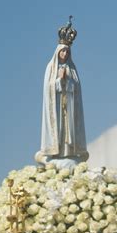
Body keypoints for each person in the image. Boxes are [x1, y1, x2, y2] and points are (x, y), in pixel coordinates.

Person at [36, 17, 88, 164]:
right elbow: (48, 89)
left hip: (69, 106)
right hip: (57, 106)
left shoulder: (72, 69)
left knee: (68, 130)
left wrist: (68, 82)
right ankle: (55, 152)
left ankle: (68, 151)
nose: (64, 54)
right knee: (58, 129)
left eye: (67, 52)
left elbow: (77, 88)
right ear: (58, 52)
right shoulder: (51, 68)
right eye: (62, 51)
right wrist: (59, 81)